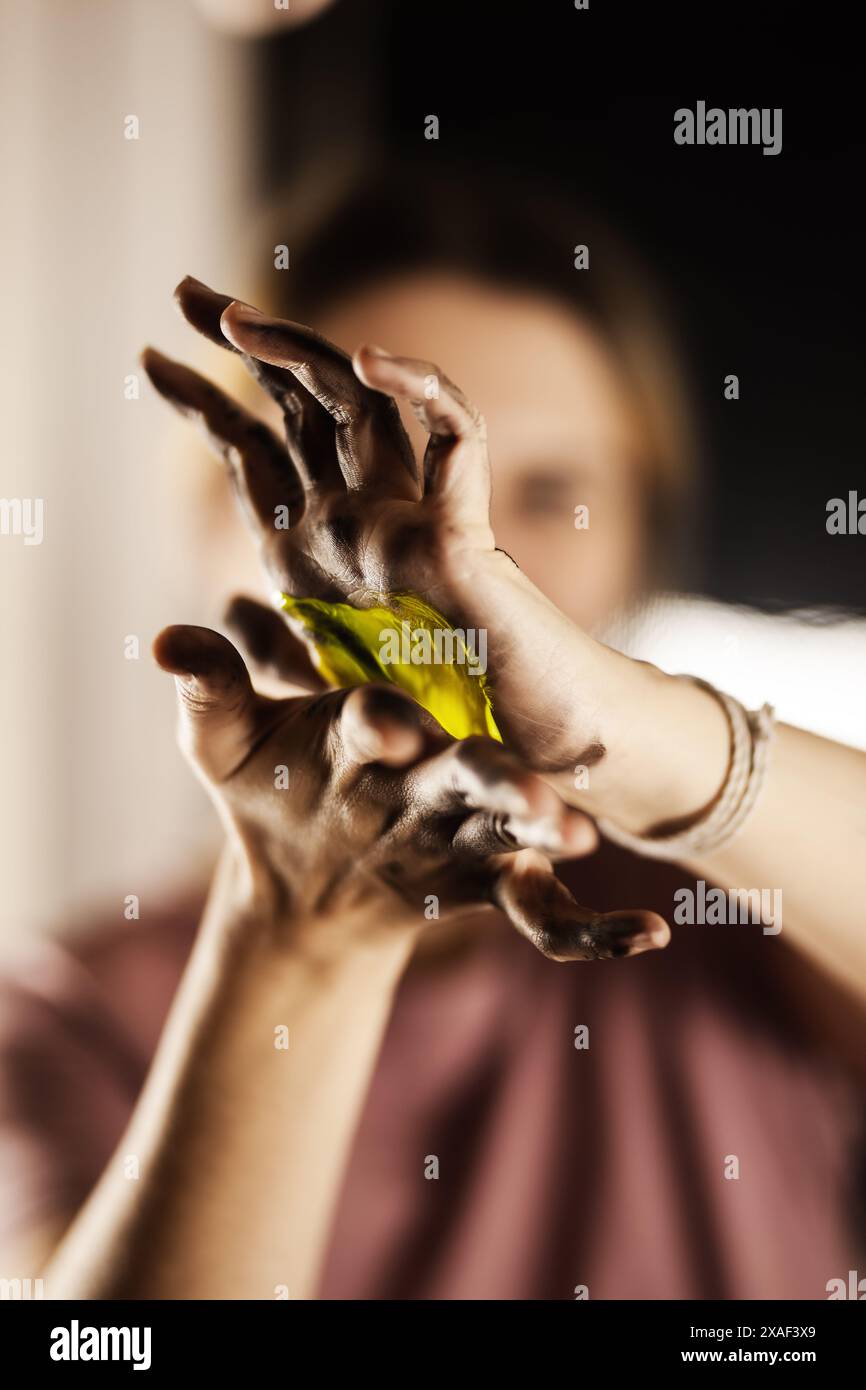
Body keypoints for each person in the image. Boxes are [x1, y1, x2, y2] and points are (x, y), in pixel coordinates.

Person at [1, 167, 864, 1300]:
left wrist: (614, 730)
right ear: (221, 517)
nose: (462, 561)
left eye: (549, 493)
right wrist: (301, 937)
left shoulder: (750, 922)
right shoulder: (77, 1019)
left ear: (639, 544)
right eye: (375, 483)